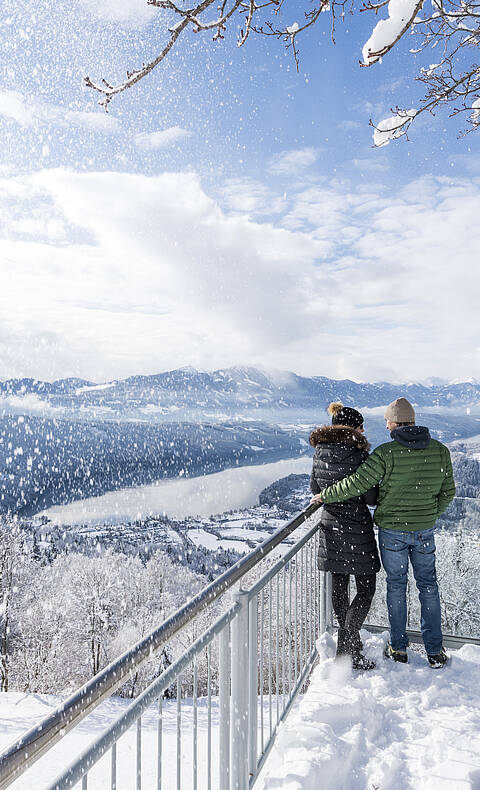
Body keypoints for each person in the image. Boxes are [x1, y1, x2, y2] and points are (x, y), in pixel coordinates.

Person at [311, 397, 456, 668]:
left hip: (390, 532)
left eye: (387, 420)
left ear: (395, 423)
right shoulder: (440, 451)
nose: (384, 425)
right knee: (428, 586)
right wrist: (429, 514)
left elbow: (357, 484)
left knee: (396, 587)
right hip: (423, 530)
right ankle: (435, 651)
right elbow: (448, 492)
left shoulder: (386, 453)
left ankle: (398, 648)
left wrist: (326, 495)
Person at [310, 402, 380, 671]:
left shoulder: (320, 451)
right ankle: (347, 649)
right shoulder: (360, 455)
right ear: (353, 428)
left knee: (339, 587)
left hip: (331, 527)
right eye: (361, 426)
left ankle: (350, 646)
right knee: (366, 588)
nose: (364, 432)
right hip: (357, 528)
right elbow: (371, 496)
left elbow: (315, 487)